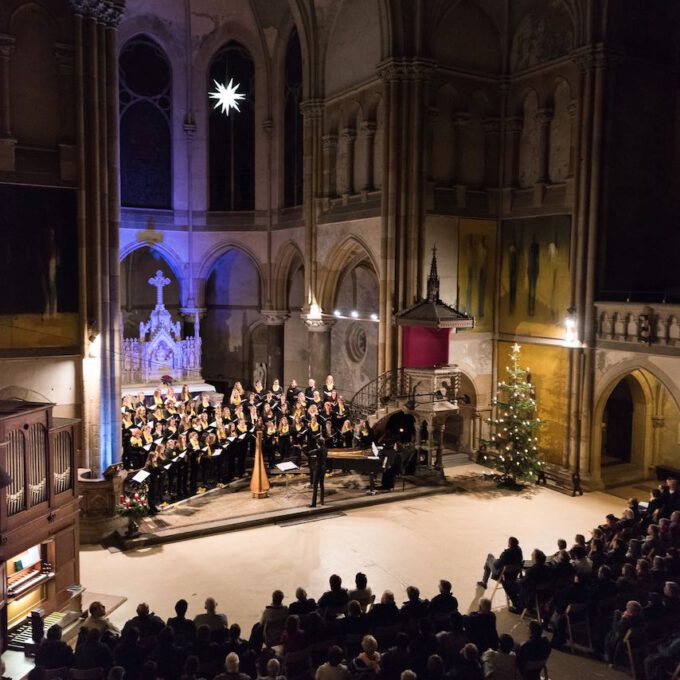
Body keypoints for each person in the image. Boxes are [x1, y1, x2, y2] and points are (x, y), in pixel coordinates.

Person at [309, 443, 328, 508]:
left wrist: (301, 448)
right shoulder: (325, 449)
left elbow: (309, 453)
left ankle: (313, 503)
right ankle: (322, 501)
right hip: (324, 468)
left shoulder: (318, 450)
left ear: (317, 444)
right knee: (321, 484)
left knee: (315, 485)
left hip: (318, 469)